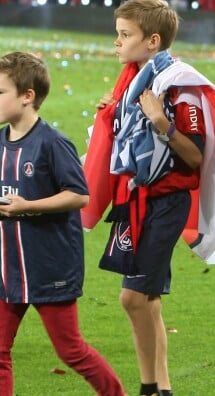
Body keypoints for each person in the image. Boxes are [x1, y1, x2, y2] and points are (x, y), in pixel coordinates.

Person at [81, 0, 215, 396]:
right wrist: (116, 114)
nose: (116, 42)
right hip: (135, 201)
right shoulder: (134, 81)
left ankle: (153, 388)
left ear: (152, 40)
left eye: (124, 35)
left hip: (165, 204)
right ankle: (158, 388)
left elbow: (197, 155)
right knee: (146, 301)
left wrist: (162, 123)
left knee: (133, 298)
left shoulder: (178, 85)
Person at [0, 51, 126, 396]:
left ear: (28, 96)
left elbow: (79, 195)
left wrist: (28, 207)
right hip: (9, 267)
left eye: (0, 92)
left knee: (71, 350)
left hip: (49, 266)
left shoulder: (52, 143)